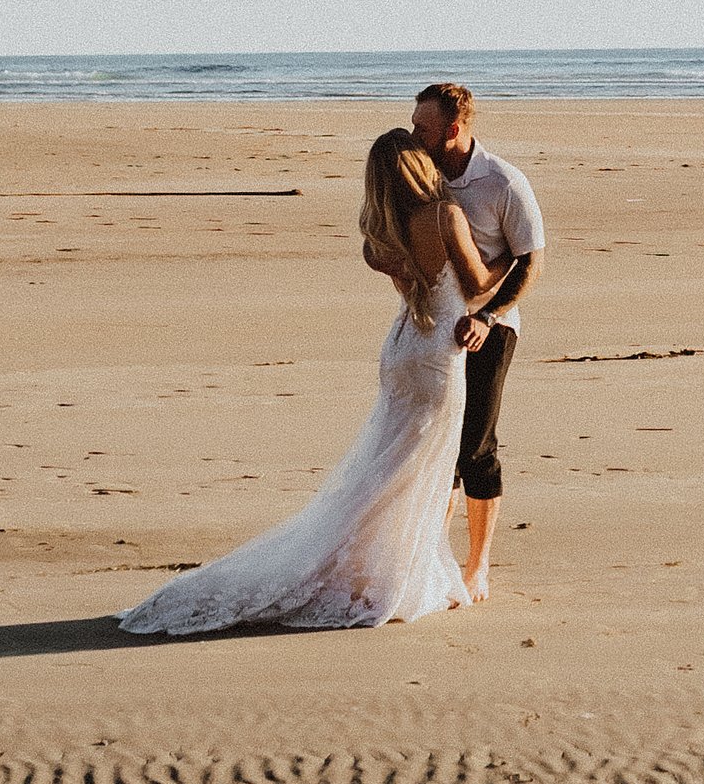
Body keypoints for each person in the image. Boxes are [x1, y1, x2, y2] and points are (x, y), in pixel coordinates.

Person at [120, 130, 499, 637]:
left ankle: (375, 563)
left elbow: (414, 290)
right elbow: (475, 285)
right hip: (438, 355)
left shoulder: (378, 231)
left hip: (403, 346)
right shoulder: (444, 216)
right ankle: (396, 572)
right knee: (419, 466)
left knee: (386, 462)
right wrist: (516, 258)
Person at [406, 80, 546, 606]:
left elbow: (528, 260)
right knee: (435, 446)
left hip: (493, 327)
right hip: (433, 330)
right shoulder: (419, 179)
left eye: (424, 126)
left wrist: (487, 316)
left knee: (475, 447)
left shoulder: (503, 182)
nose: (414, 133)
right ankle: (430, 558)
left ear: (454, 130)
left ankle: (478, 566)